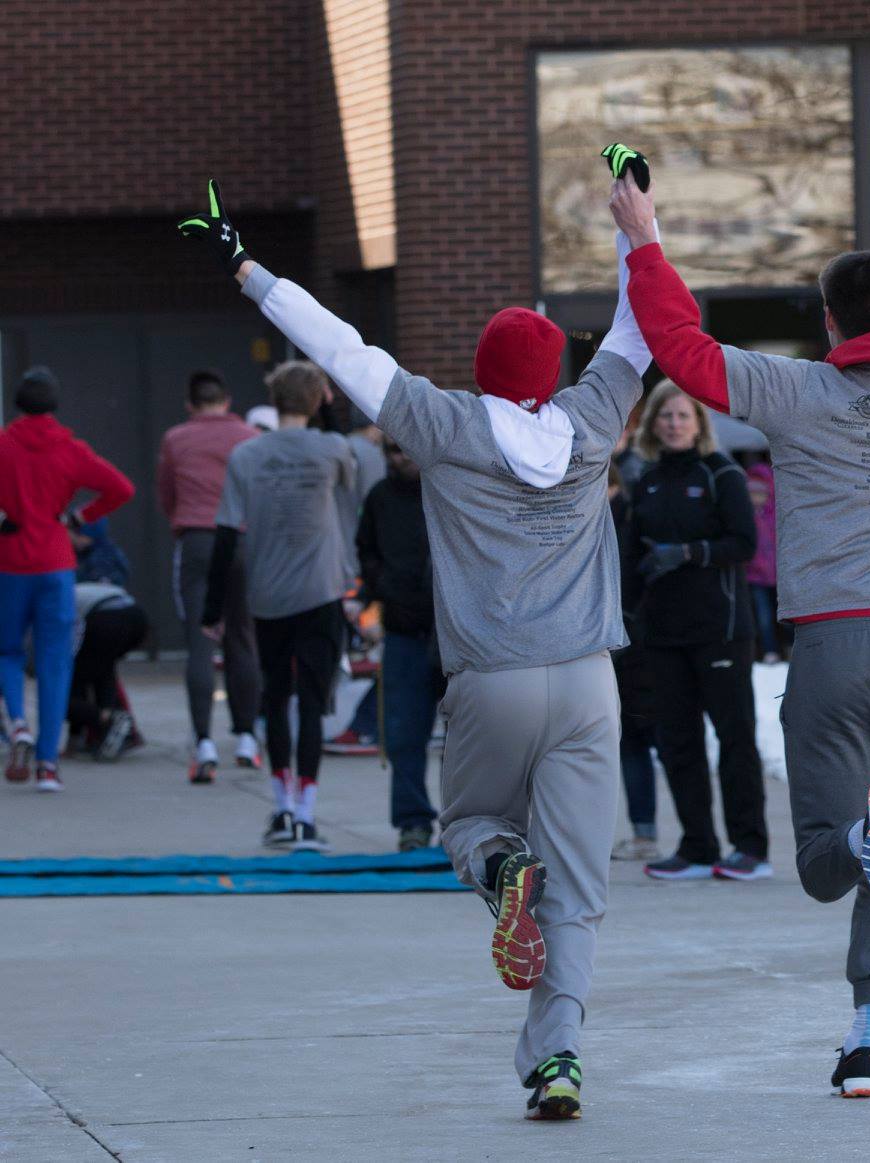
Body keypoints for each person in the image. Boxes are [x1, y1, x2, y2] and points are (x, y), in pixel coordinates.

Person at [180, 171, 650, 1120]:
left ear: (481, 369)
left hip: (492, 677)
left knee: (470, 824)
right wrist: (635, 224)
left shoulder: (440, 422)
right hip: (591, 679)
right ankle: (558, 1055)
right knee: (583, 885)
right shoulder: (595, 418)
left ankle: (496, 870)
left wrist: (249, 269)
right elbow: (640, 326)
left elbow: (341, 350)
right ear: (555, 371)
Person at [612, 177, 870, 1097]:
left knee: (821, 864)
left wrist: (644, 239)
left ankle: (855, 832)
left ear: (830, 321)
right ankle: (866, 1033)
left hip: (835, 645)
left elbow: (680, 346)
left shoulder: (794, 390)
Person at [623, 380, 769, 882]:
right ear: (652, 423)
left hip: (720, 629)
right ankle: (697, 844)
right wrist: (625, 613)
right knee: (677, 742)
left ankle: (750, 846)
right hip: (663, 632)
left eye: (683, 416)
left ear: (699, 423)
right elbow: (629, 556)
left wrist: (688, 553)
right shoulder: (645, 479)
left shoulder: (721, 474)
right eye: (665, 416)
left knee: (735, 739)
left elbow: (744, 543)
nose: (674, 424)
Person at [204, 360, 354, 847]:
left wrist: (212, 611)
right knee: (312, 705)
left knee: (276, 698)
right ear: (317, 401)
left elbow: (225, 537)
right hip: (322, 593)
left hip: (267, 596)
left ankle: (281, 807)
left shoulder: (246, 456)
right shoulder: (332, 450)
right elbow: (346, 453)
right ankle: (307, 814)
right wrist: (328, 409)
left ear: (273, 399)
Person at [0, 366, 136, 791]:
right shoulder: (71, 451)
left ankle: (18, 724)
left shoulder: (3, 445)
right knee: (56, 662)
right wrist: (78, 516)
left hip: (10, 562)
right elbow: (121, 488)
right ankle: (48, 767)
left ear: (18, 403)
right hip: (57, 564)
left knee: (6, 653)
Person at [157, 367, 263, 781]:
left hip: (198, 539)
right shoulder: (250, 438)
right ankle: (247, 737)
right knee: (243, 638)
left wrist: (183, 523)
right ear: (227, 400)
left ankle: (203, 743)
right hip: (242, 540)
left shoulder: (176, 439)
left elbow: (167, 494)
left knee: (200, 641)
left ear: (190, 404)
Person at [356, 437, 444, 851]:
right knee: (405, 734)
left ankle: (470, 825)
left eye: (407, 448)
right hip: (404, 632)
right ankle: (413, 822)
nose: (400, 457)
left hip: (455, 634)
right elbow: (365, 550)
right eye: (392, 450)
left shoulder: (450, 486)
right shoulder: (380, 497)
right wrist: (382, 588)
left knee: (466, 741)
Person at [609, 460, 662, 863]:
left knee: (640, 737)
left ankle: (646, 833)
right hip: (624, 634)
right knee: (631, 739)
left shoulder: (629, 514)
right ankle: (643, 832)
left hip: (638, 638)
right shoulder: (623, 511)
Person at [67, 577, 149, 761]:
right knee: (102, 668)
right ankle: (110, 723)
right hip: (136, 616)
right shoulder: (73, 591)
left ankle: (111, 721)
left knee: (62, 693)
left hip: (107, 618)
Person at [745, 462, 780, 662]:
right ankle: (769, 650)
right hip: (755, 575)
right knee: (763, 616)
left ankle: (789, 646)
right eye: (752, 492)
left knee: (784, 616)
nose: (756, 497)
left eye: (760, 492)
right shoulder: (746, 516)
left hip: (779, 575)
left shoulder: (775, 514)